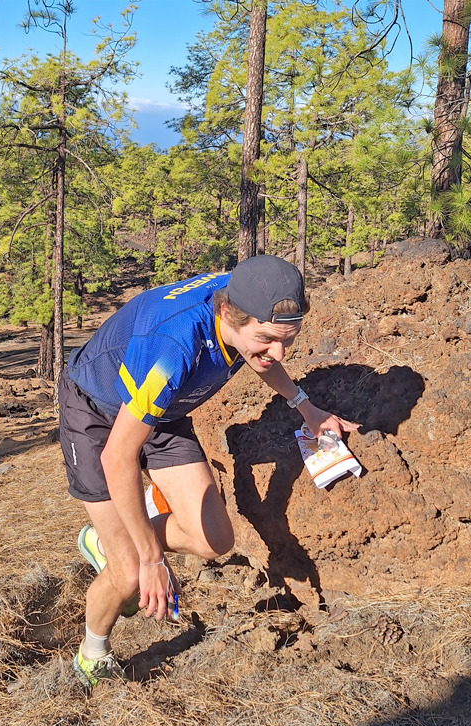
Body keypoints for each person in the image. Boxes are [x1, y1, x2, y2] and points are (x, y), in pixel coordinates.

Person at [58, 255, 359, 688]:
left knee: (214, 539)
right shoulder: (174, 350)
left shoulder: (244, 294)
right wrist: (150, 558)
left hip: (161, 408)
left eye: (286, 342)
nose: (278, 353)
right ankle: (93, 652)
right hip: (96, 412)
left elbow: (266, 358)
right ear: (227, 314)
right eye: (267, 340)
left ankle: (111, 538)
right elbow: (117, 457)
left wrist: (305, 408)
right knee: (127, 573)